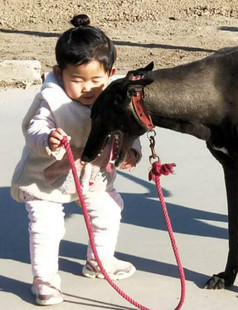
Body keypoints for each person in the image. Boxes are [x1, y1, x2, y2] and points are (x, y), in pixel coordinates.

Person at [10, 14, 141, 306]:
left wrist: (130, 152)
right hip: (47, 178)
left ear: (111, 73)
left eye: (97, 79)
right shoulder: (51, 99)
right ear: (59, 73)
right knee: (47, 227)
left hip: (93, 176)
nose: (88, 88)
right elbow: (34, 128)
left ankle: (100, 260)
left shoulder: (113, 99)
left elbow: (127, 130)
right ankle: (44, 280)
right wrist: (47, 139)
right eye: (77, 80)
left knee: (108, 212)